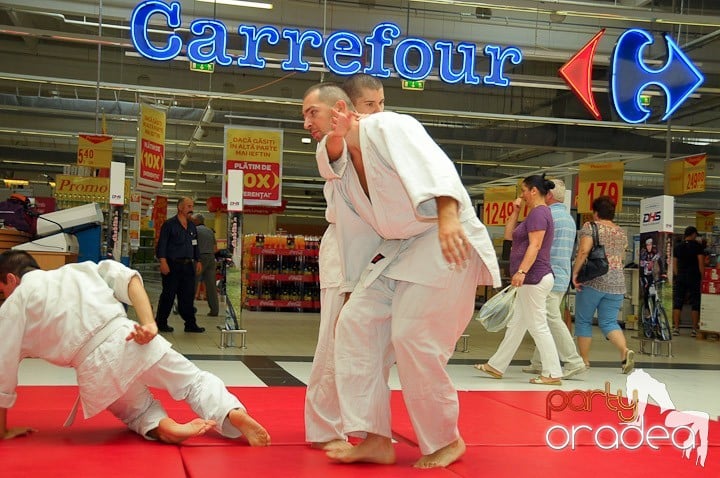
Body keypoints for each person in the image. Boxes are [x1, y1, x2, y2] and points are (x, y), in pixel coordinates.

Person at [303, 83, 501, 468]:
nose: (306, 120)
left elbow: (434, 164)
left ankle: (446, 439)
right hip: (397, 249)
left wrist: (447, 216)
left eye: (312, 111)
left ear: (339, 109)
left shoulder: (388, 126)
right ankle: (375, 437)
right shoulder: (341, 170)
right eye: (304, 114)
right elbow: (356, 233)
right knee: (355, 324)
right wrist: (350, 288)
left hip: (443, 237)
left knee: (413, 337)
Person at [0, 250, 270, 446]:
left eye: (2, 290)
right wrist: (149, 323)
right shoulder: (78, 271)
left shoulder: (15, 305)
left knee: (138, 411)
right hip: (129, 337)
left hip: (94, 369)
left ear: (11, 279)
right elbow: (129, 279)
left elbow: (3, 366)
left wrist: (2, 430)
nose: (4, 297)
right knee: (192, 382)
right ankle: (232, 413)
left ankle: (168, 428)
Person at [304, 75, 385, 452]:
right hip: (344, 252)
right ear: (347, 109)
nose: (379, 112)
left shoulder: (384, 141)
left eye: (381, 103)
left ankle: (366, 424)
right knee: (334, 341)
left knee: (374, 346)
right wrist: (338, 132)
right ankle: (324, 426)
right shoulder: (331, 143)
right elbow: (334, 150)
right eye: (370, 105)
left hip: (381, 253)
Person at [476, 174, 563, 386]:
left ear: (534, 190)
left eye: (523, 190)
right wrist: (515, 211)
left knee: (538, 325)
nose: (522, 194)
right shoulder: (535, 214)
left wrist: (522, 271)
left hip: (534, 277)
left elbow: (535, 245)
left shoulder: (539, 214)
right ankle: (497, 365)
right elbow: (510, 236)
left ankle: (552, 372)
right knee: (518, 324)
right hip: (532, 278)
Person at [521, 179, 586, 379]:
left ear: (547, 195)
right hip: (562, 274)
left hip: (547, 273)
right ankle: (538, 361)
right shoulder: (568, 218)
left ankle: (574, 361)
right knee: (545, 318)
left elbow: (538, 245)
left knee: (550, 318)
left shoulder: (546, 215)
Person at [571, 195, 635, 373]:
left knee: (583, 321)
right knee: (609, 322)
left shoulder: (590, 227)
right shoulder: (621, 232)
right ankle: (624, 352)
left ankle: (584, 360)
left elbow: (583, 251)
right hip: (617, 282)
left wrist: (575, 274)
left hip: (594, 280)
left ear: (595, 212)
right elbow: (621, 257)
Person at [155, 197, 205, 333]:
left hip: (188, 266)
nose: (191, 209)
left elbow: (195, 245)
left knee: (188, 296)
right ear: (180, 208)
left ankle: (190, 324)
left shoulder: (192, 226)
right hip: (172, 265)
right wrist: (163, 261)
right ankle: (161, 322)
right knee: (168, 295)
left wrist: (198, 260)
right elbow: (162, 244)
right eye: (188, 206)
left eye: (192, 206)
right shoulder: (169, 225)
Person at [672, 226, 704, 336]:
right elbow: (700, 264)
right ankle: (694, 329)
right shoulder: (698, 247)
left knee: (678, 302)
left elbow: (674, 264)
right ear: (693, 234)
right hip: (694, 277)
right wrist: (703, 277)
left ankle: (676, 328)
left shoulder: (677, 247)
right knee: (695, 303)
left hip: (681, 276)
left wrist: (677, 275)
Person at [192, 213, 220, 317]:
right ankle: (214, 310)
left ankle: (189, 307)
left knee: (193, 283)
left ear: (196, 221)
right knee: (211, 285)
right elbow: (215, 248)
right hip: (211, 258)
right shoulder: (210, 231)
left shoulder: (194, 231)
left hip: (200, 259)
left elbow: (192, 246)